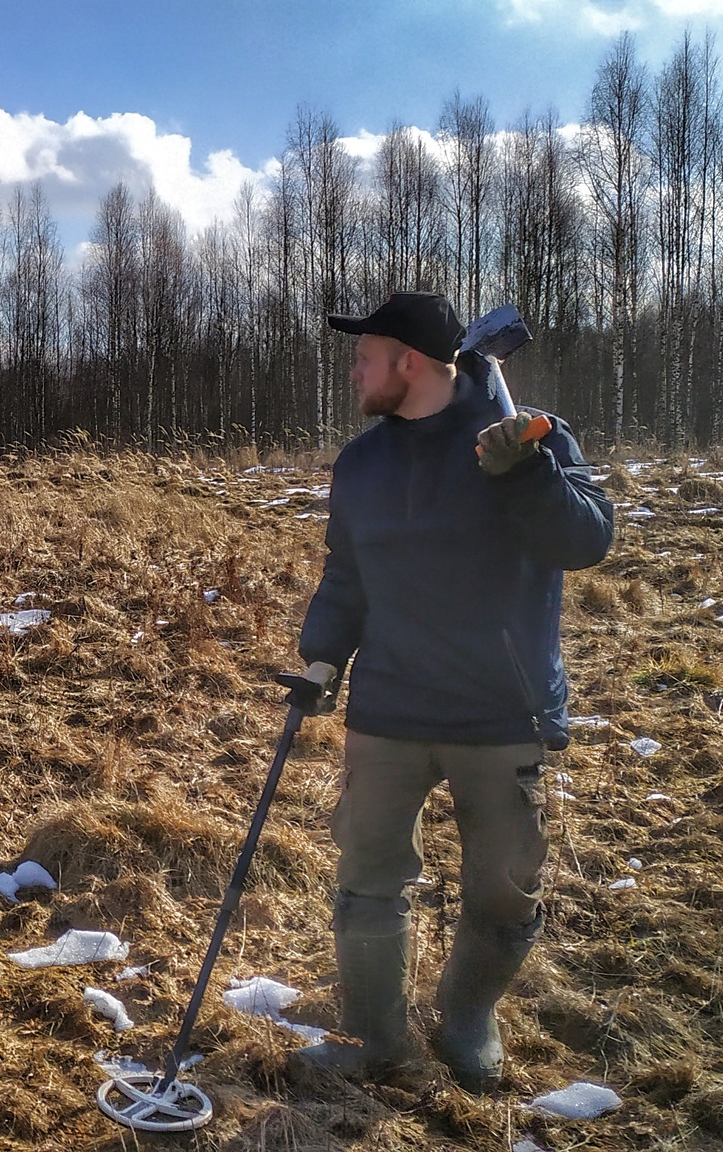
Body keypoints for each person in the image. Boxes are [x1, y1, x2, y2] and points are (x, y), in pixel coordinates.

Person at [285, 291, 615, 1092]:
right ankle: (376, 1041)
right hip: (391, 709)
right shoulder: (362, 463)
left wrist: (525, 474)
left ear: (411, 362)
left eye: (367, 355)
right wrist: (321, 657)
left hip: (501, 710)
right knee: (367, 881)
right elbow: (347, 574)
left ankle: (468, 1018)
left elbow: (585, 540)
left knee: (505, 890)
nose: (355, 370)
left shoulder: (526, 436)